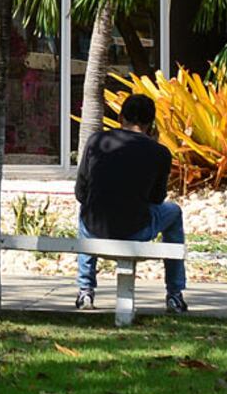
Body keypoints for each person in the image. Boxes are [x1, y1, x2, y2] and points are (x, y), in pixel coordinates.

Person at [72, 90, 188, 314]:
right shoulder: (159, 152)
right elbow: (157, 199)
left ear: (120, 117)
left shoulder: (96, 141)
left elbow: (80, 192)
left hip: (95, 230)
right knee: (174, 212)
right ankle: (174, 293)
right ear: (151, 124)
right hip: (136, 231)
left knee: (87, 210)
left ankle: (85, 289)